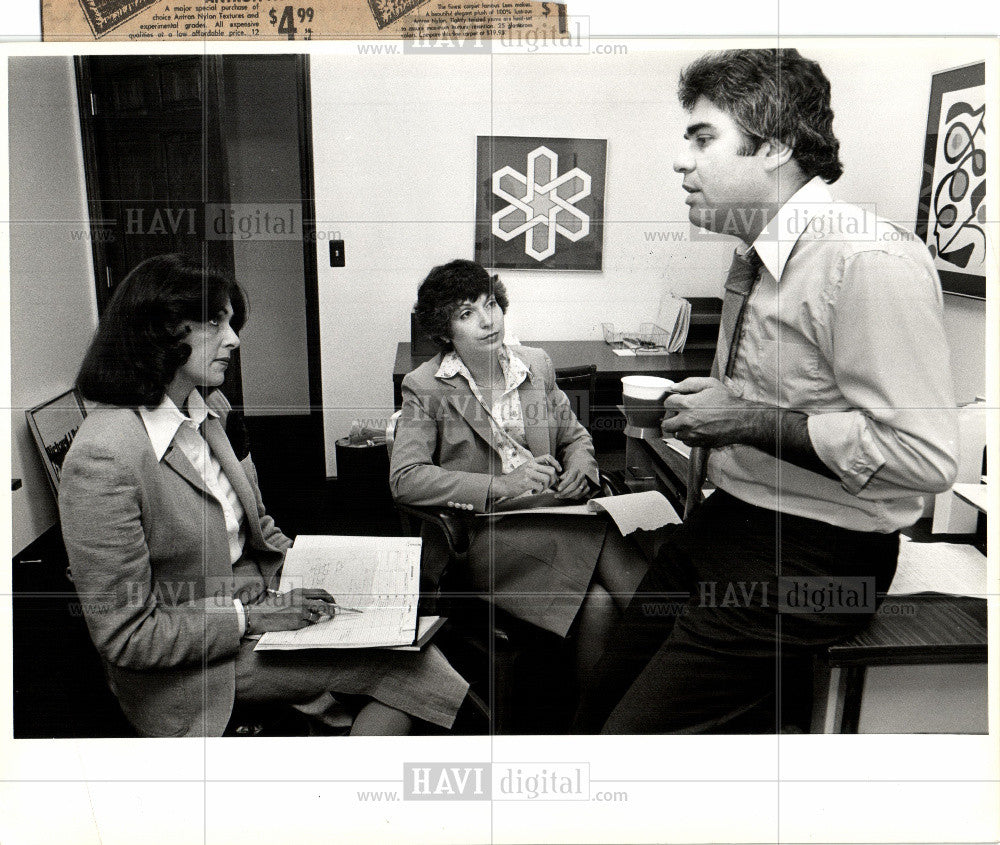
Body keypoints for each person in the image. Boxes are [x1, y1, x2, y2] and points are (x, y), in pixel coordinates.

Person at [575, 49, 959, 733]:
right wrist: (718, 405)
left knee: (630, 744)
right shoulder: (754, 256)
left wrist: (746, 417)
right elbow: (786, 398)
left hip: (821, 554)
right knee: (597, 698)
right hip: (732, 522)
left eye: (702, 138)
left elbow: (924, 457)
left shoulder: (866, 258)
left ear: (776, 144)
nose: (681, 161)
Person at [59, 254, 468, 737]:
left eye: (231, 322)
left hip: (257, 601)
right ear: (158, 331)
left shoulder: (207, 406)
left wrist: (324, 564)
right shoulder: (104, 457)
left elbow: (254, 524)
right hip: (197, 666)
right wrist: (252, 615)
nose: (233, 339)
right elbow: (127, 636)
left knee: (406, 633)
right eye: (215, 322)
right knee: (407, 666)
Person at [389, 259, 647, 683]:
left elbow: (575, 435)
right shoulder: (427, 385)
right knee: (614, 541)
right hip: (483, 534)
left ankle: (601, 722)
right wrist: (500, 484)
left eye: (491, 304)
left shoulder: (535, 365)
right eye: (466, 313)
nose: (488, 321)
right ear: (443, 330)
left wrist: (582, 466)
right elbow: (406, 479)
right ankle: (674, 670)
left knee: (600, 604)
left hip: (555, 513)